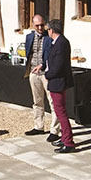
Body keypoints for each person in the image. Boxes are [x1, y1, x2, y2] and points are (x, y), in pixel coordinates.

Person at [43, 19, 76, 154]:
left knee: (61, 112)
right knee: (59, 111)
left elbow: (58, 66)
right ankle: (64, 137)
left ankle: (68, 142)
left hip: (58, 82)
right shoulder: (58, 42)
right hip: (56, 81)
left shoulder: (61, 43)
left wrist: (47, 74)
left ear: (51, 30)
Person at [23, 14, 58, 141]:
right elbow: (28, 53)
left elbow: (53, 55)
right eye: (37, 25)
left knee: (53, 102)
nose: (39, 27)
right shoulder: (29, 37)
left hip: (46, 74)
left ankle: (55, 130)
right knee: (37, 101)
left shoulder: (49, 38)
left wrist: (44, 65)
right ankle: (39, 126)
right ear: (33, 25)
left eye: (42, 25)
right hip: (33, 72)